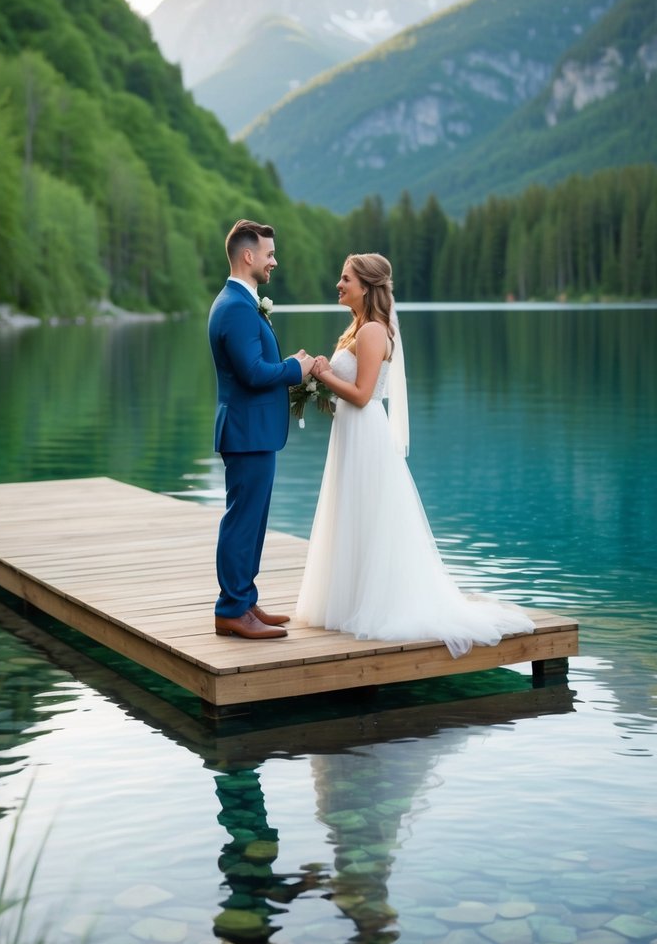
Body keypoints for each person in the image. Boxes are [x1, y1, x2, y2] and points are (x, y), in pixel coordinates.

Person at [296, 253, 535, 656]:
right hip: (350, 432)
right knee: (350, 513)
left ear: (367, 286)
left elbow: (363, 395)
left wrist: (322, 375)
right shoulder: (357, 327)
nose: (339, 285)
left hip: (365, 431)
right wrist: (324, 373)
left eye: (345, 279)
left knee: (368, 514)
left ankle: (375, 604)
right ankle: (351, 600)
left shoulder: (372, 331)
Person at [209, 219, 315, 640]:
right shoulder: (235, 306)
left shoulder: (241, 302)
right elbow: (253, 374)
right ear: (248, 256)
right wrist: (296, 369)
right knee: (242, 521)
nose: (275, 261)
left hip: (253, 432)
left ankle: (245, 601)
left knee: (252, 521)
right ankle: (231, 610)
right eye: (269, 254)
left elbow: (253, 364)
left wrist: (289, 362)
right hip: (245, 432)